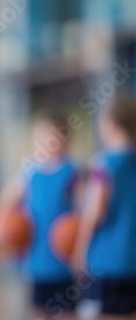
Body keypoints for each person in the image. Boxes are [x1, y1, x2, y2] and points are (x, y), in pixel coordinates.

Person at [0, 109, 81, 320]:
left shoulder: (72, 171)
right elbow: (5, 202)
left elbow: (86, 211)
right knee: (37, 312)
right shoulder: (29, 171)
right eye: (42, 135)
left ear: (65, 138)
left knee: (67, 313)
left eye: (52, 135)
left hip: (64, 262)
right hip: (36, 262)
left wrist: (82, 251)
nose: (48, 141)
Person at [73, 97, 136, 320]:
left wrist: (78, 253)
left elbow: (94, 213)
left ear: (109, 123)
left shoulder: (104, 163)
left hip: (104, 265)